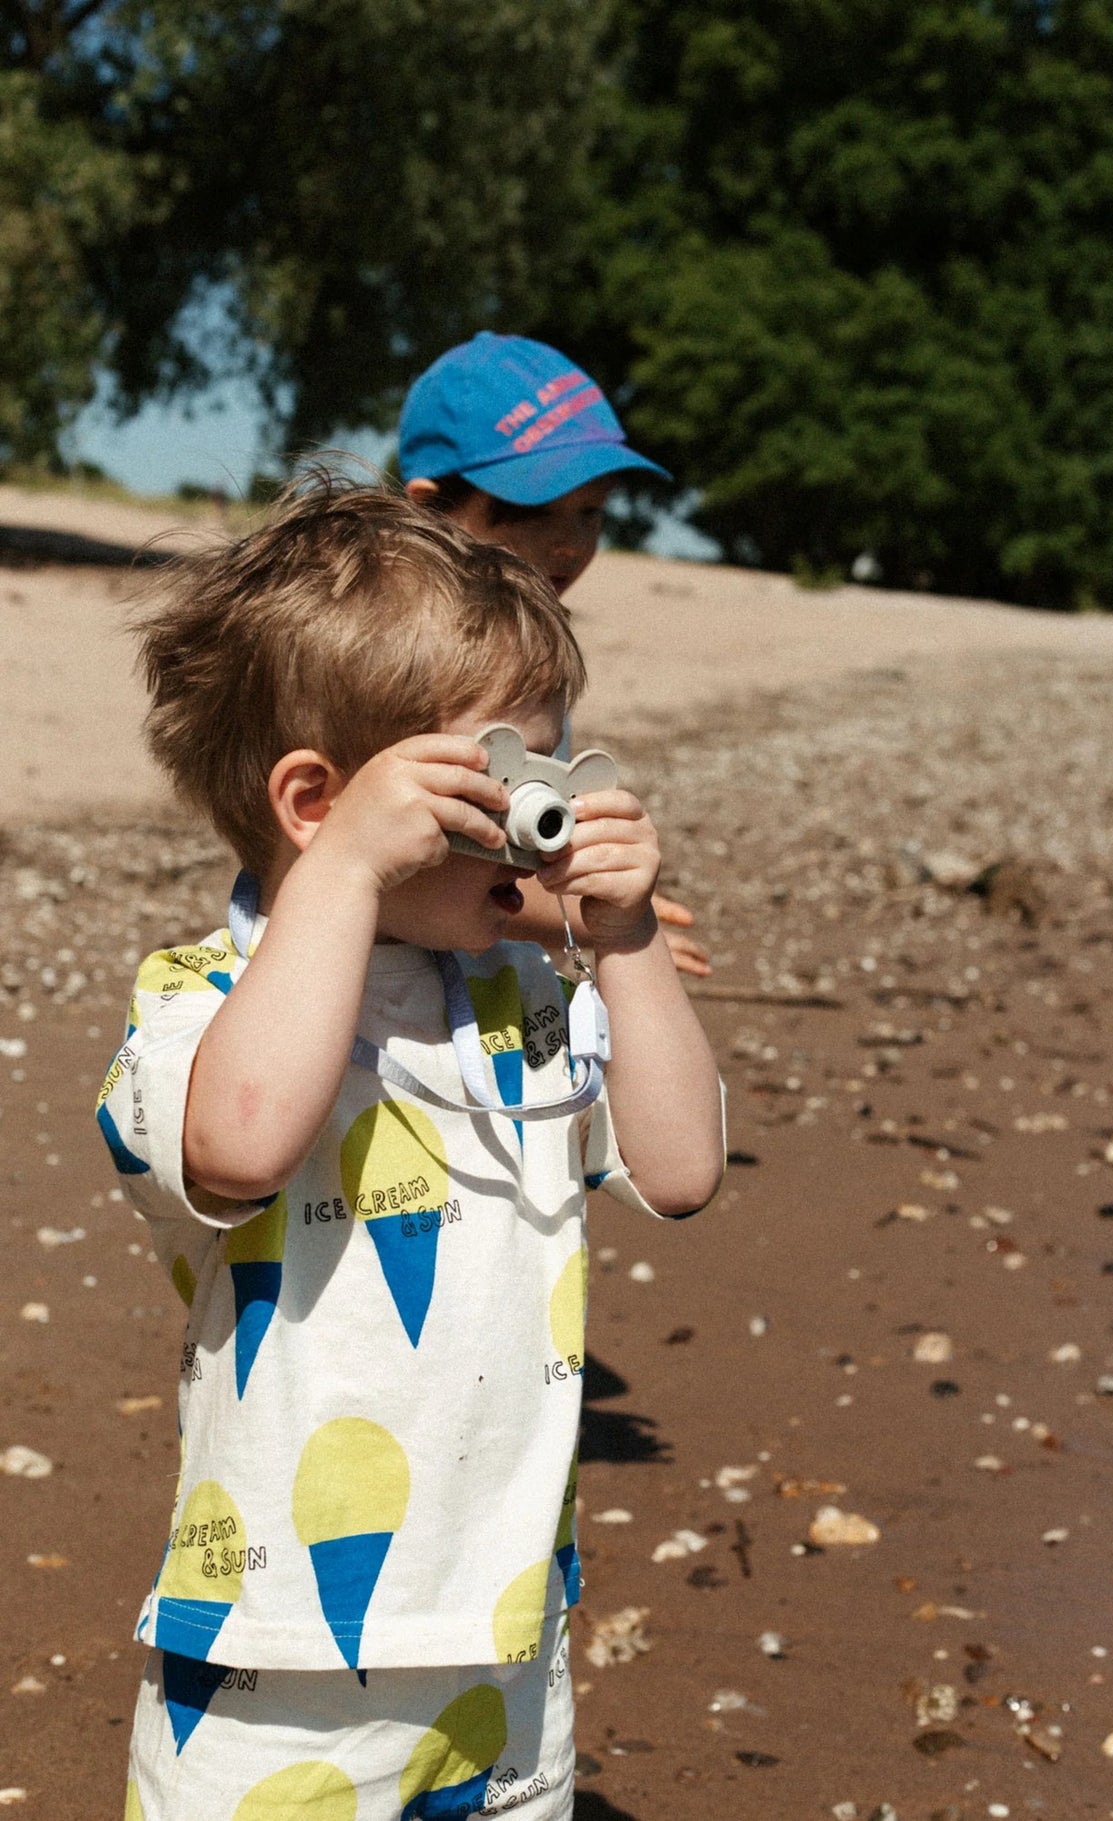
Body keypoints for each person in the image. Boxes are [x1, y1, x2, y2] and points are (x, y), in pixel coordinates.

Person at [97, 478, 723, 1820]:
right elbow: (243, 1139)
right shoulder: (199, 1005)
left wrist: (622, 948)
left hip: (504, 1643)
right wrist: (337, 881)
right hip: (274, 1664)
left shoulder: (521, 1002)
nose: (525, 822)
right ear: (315, 802)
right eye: (482, 788)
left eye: (544, 776)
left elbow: (676, 1169)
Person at [398, 330, 711, 978]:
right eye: (535, 511)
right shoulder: (402, 651)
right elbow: (437, 859)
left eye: (591, 511)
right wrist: (584, 919)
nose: (569, 545)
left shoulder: (536, 648)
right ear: (430, 510)